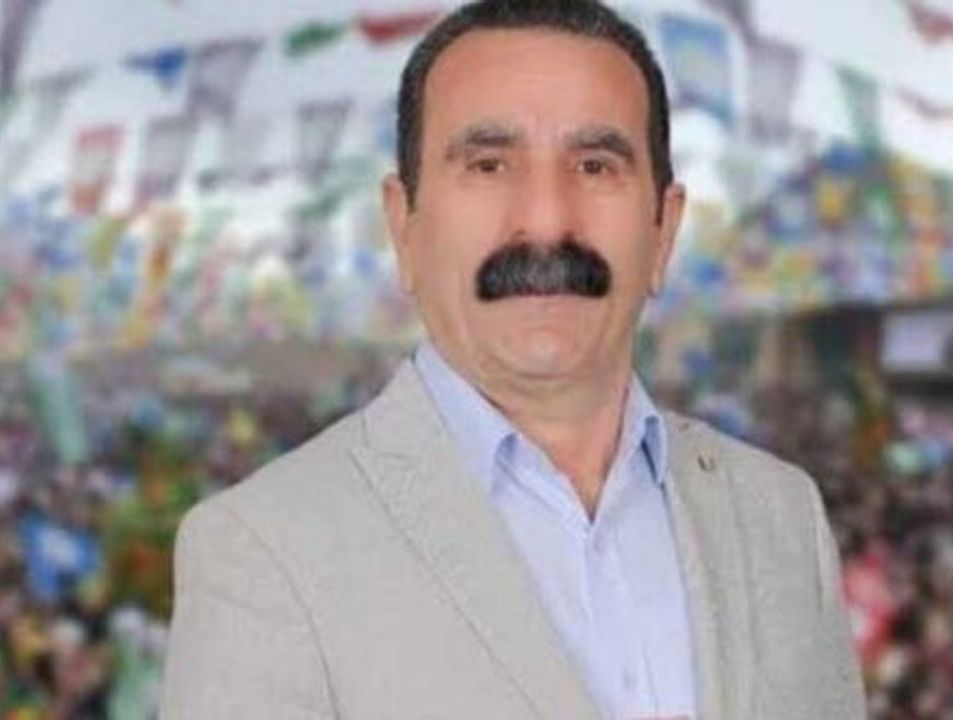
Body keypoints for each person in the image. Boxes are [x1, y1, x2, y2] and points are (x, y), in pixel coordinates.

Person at [159, 1, 866, 717]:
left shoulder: (781, 515)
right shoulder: (266, 547)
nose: (547, 221)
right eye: (489, 165)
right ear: (404, 227)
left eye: (596, 166)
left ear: (663, 231)